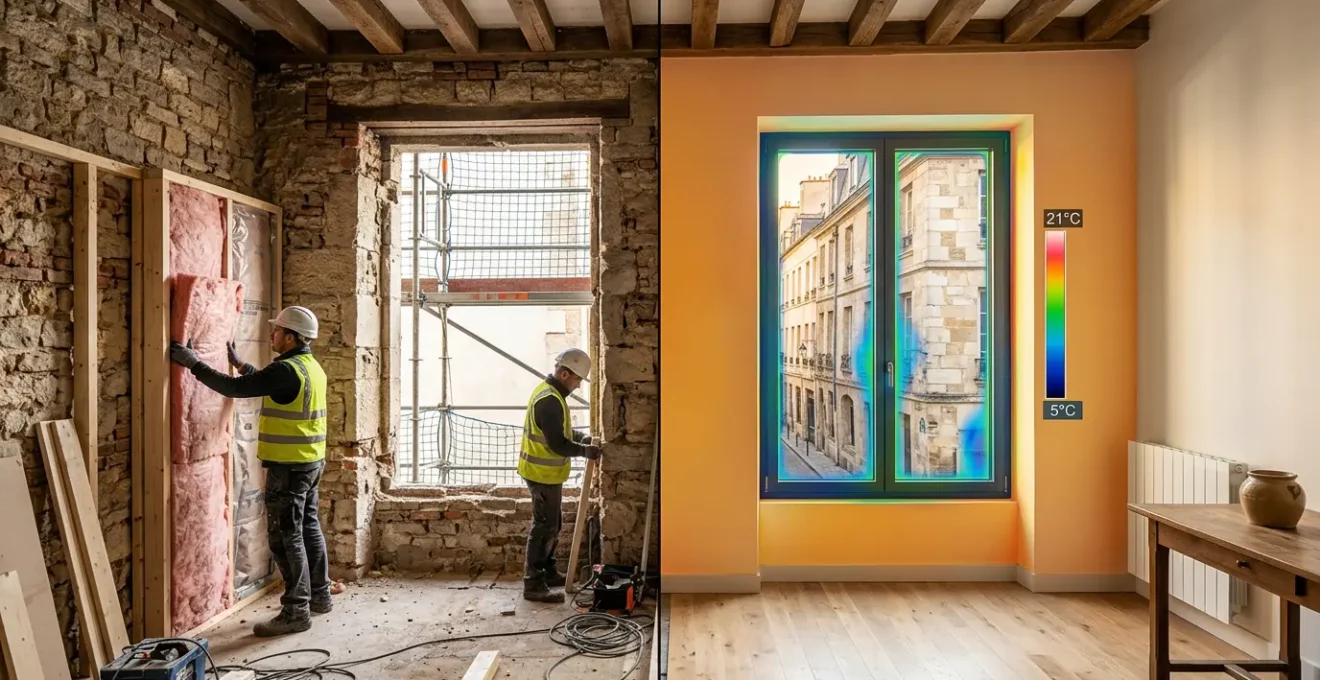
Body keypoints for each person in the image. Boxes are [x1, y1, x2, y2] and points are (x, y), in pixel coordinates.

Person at [168, 306, 332, 637]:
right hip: (309, 462)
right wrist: (242, 365)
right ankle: (319, 595)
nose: (271, 335)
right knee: (308, 528)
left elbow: (234, 389)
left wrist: (193, 364)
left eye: (276, 331)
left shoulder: (286, 369)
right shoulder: (309, 367)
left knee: (286, 536)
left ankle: (296, 611)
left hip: (288, 468)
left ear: (289, 336)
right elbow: (271, 386)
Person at [518, 348, 601, 603]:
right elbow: (557, 444)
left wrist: (581, 437)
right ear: (565, 374)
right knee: (544, 528)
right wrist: (585, 451)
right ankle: (533, 583)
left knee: (554, 526)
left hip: (546, 474)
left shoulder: (551, 394)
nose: (577, 386)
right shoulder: (550, 400)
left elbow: (561, 431)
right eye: (577, 380)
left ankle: (549, 571)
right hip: (541, 474)